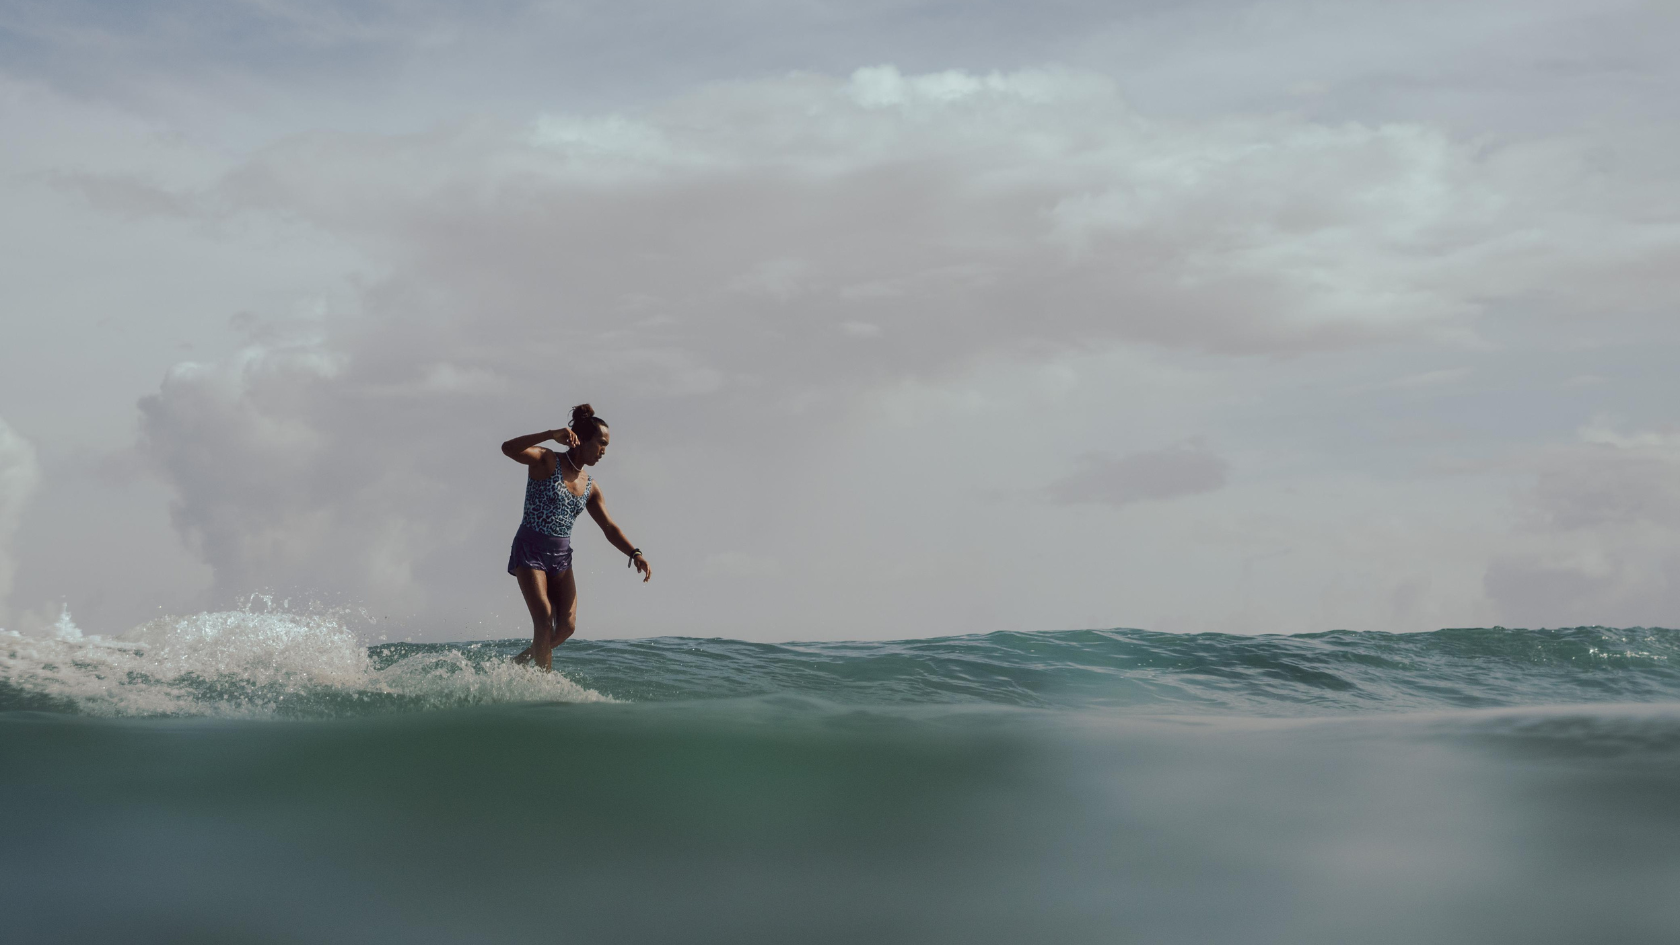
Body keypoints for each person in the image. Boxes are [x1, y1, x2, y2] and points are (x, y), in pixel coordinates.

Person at [501, 404, 650, 671]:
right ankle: (543, 685)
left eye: (606, 445)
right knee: (544, 620)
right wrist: (549, 434)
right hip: (530, 550)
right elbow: (508, 448)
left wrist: (634, 553)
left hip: (561, 558)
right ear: (581, 440)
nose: (604, 450)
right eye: (600, 443)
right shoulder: (547, 460)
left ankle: (519, 662)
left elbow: (609, 527)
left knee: (567, 626)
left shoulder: (590, 486)